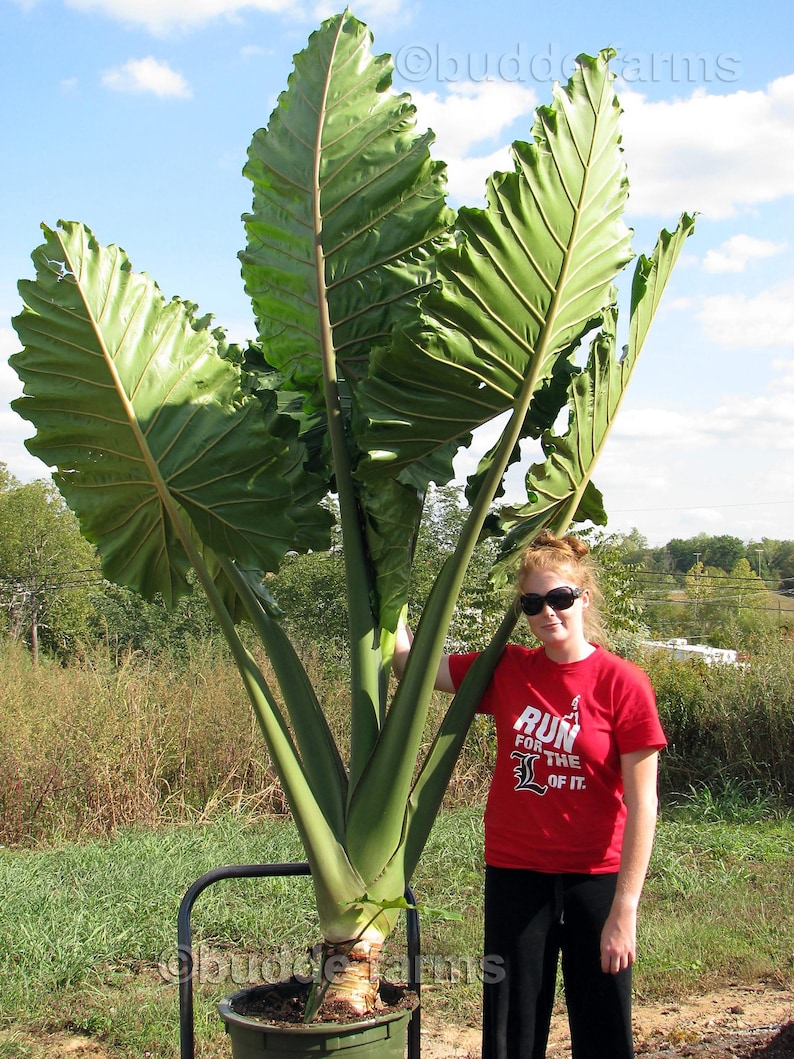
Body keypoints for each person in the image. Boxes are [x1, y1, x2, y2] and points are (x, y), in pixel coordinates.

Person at [394, 531, 666, 1059]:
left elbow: (644, 804)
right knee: (510, 1030)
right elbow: (411, 666)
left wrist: (625, 908)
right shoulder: (508, 669)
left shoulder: (623, 684)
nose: (548, 612)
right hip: (517, 873)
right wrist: (392, 592)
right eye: (533, 603)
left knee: (603, 1024)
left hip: (596, 878)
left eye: (560, 598)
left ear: (583, 597)